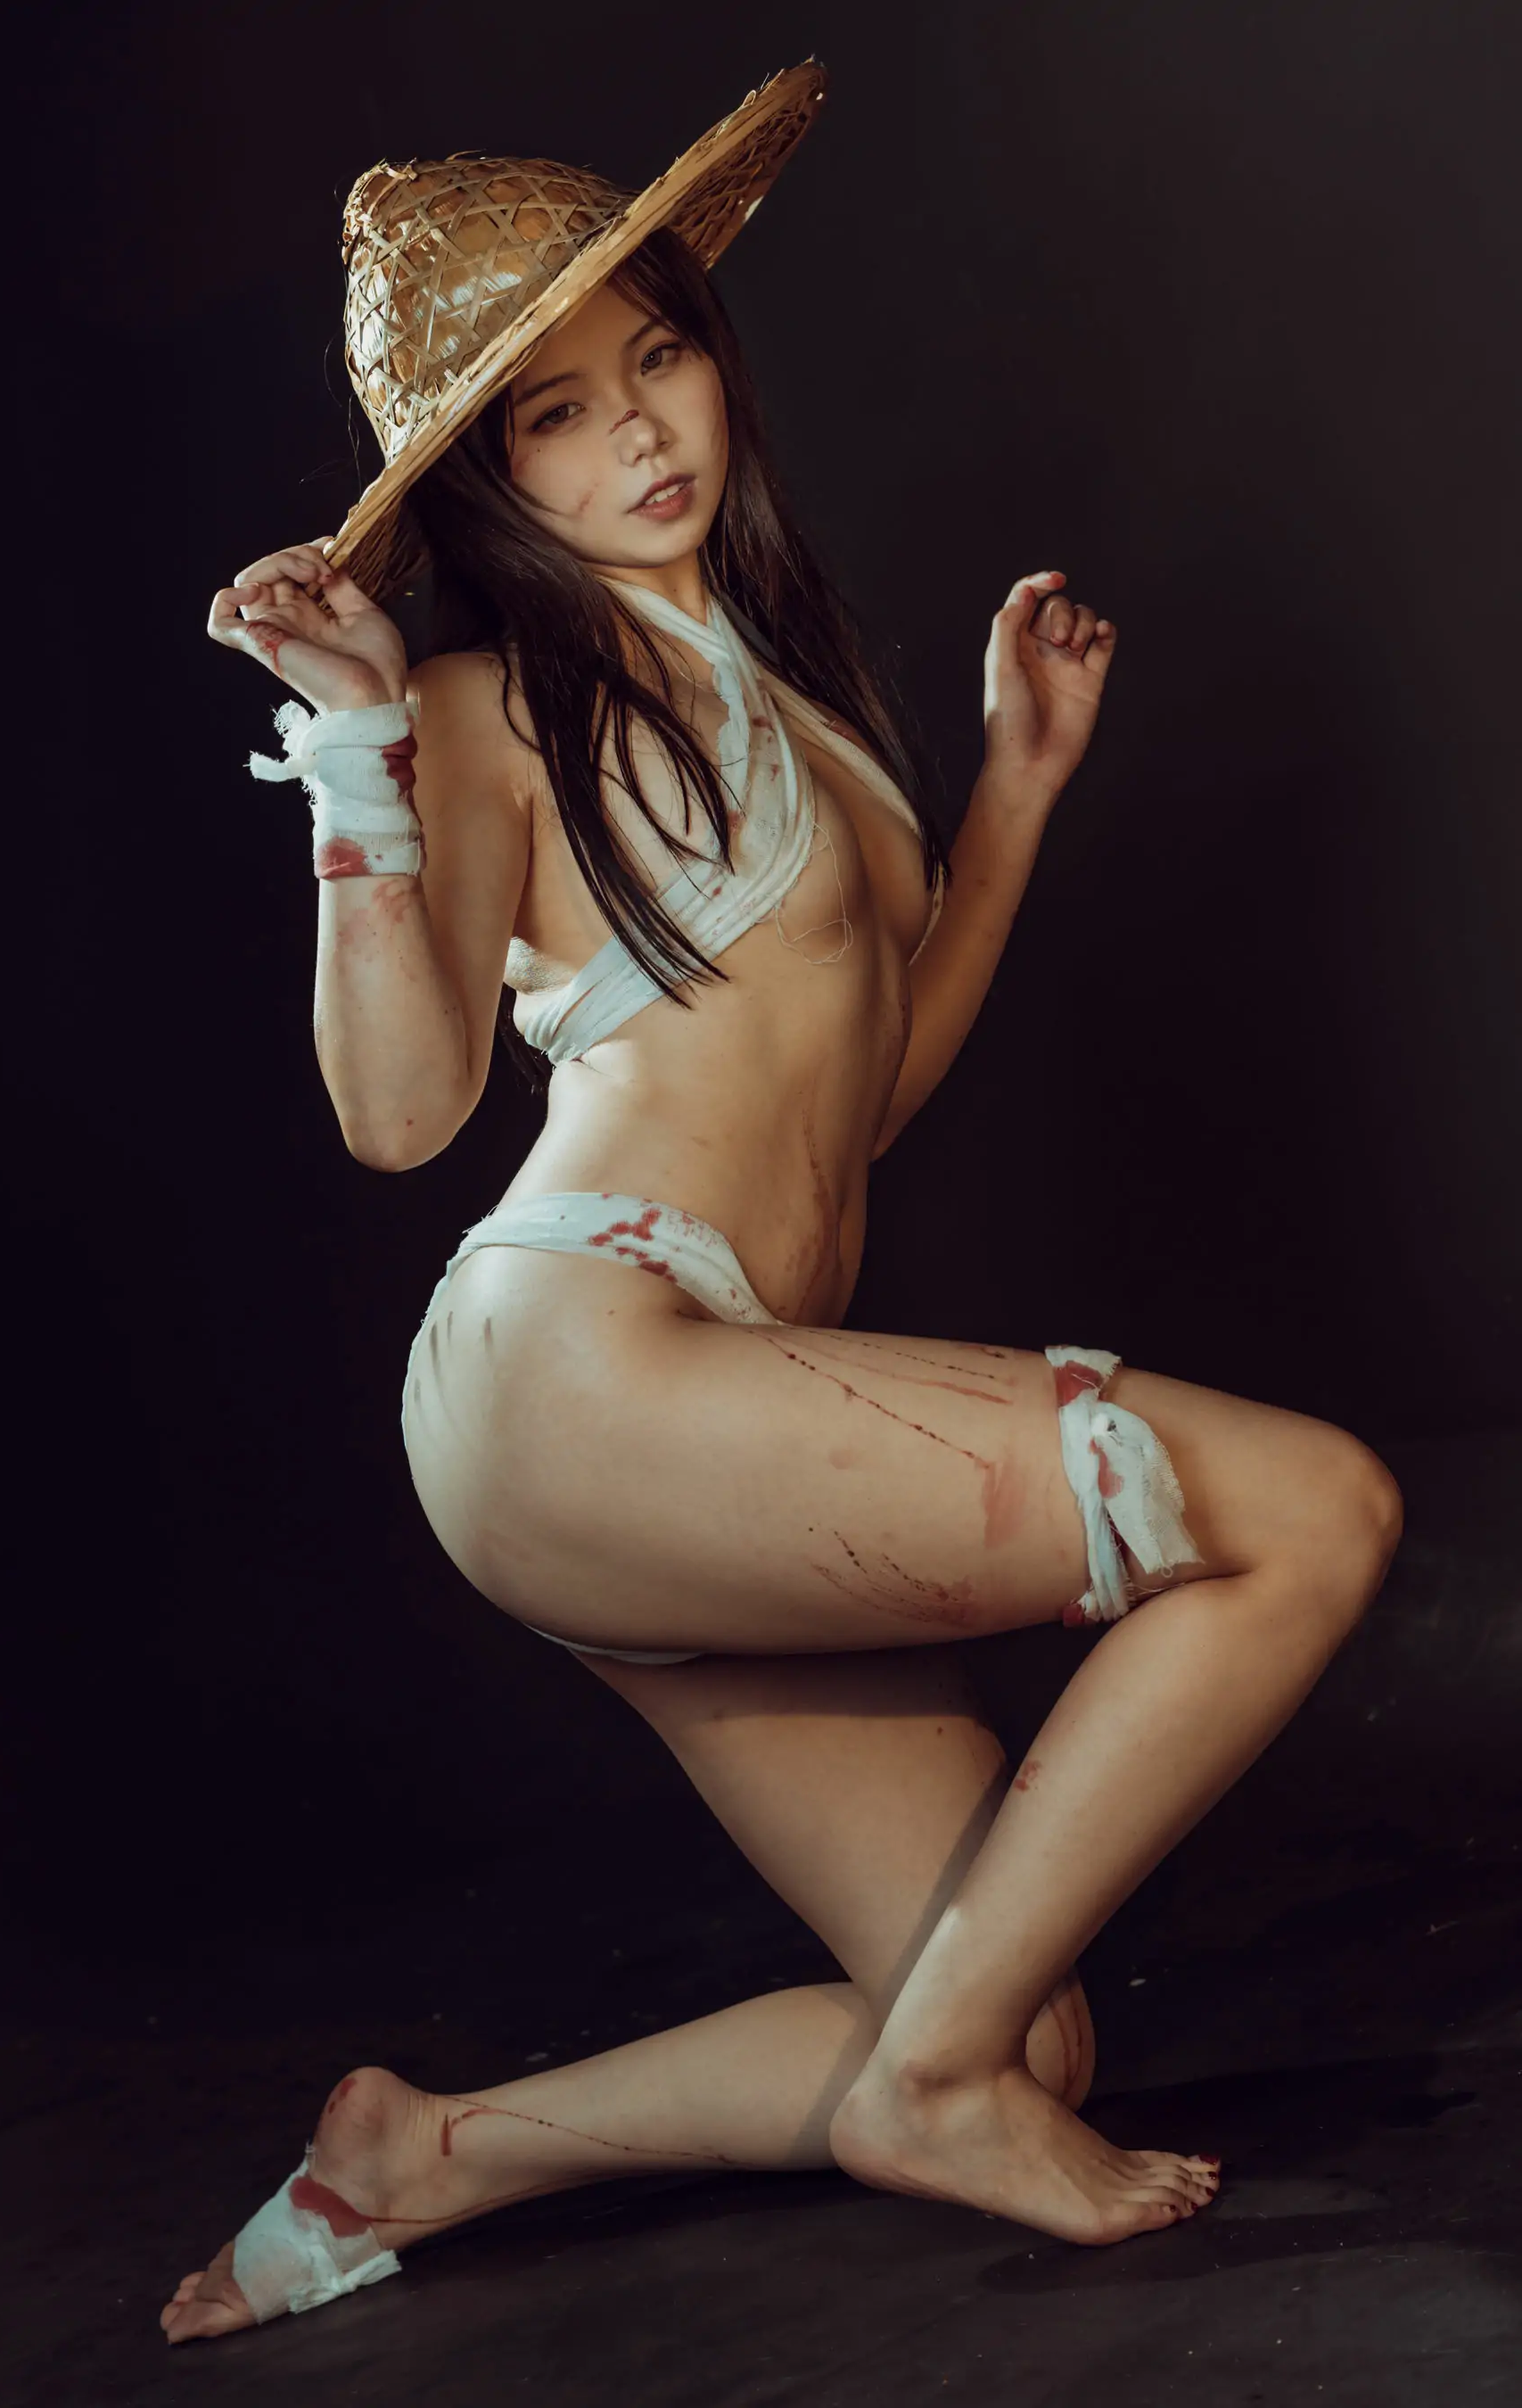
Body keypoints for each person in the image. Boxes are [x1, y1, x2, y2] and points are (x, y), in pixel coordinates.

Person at [164, 69, 1402, 2345]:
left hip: (710, 1402)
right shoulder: (482, 706)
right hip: (582, 1363)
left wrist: (1017, 789)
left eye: (659, 356)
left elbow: (862, 1104)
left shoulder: (800, 695)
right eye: (557, 414)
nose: (639, 429)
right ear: (490, 477)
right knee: (1311, 1511)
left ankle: (435, 2154)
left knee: (1022, 2025)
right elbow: (403, 1114)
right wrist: (353, 752)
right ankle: (925, 2096)